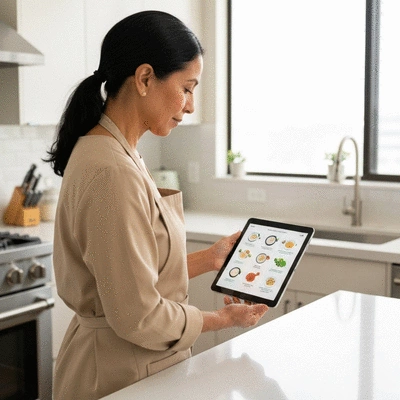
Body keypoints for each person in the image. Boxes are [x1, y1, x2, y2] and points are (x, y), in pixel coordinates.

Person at [45, 10, 268, 399]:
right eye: (187, 87)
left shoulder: (118, 151)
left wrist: (211, 258)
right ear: (145, 78)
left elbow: (129, 274)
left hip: (131, 366)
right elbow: (139, 314)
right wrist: (221, 319)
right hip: (118, 374)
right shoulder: (112, 170)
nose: (191, 105)